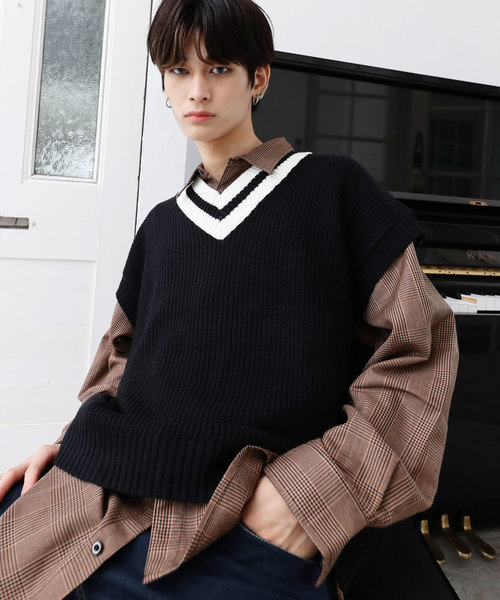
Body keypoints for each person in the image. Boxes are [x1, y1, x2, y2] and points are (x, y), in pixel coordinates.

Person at [0, 0, 459, 598]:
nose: (197, 90)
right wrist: (69, 446)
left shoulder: (332, 188)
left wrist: (306, 500)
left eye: (218, 69)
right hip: (101, 496)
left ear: (258, 78)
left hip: (238, 525)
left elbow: (419, 349)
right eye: (178, 70)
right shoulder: (161, 226)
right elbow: (120, 364)